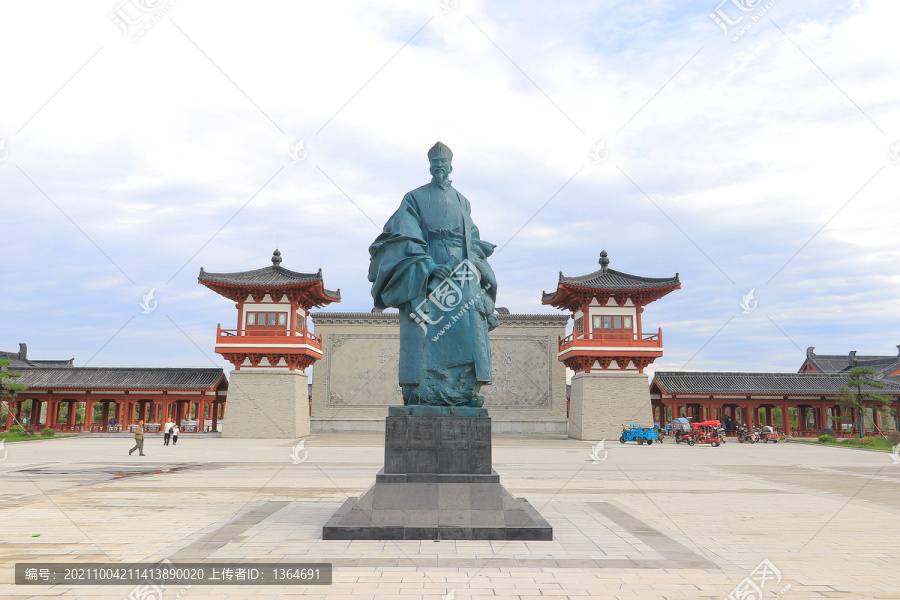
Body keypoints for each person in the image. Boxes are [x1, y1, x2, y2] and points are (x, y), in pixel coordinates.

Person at [368, 142, 499, 407]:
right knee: (426, 326)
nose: (440, 167)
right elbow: (403, 234)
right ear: (430, 166)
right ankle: (423, 389)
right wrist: (427, 266)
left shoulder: (463, 201)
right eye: (435, 163)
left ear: (451, 166)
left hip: (461, 269)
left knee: (469, 321)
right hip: (428, 269)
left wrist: (474, 260)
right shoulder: (414, 198)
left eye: (444, 163)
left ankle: (463, 390)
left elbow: (471, 236)